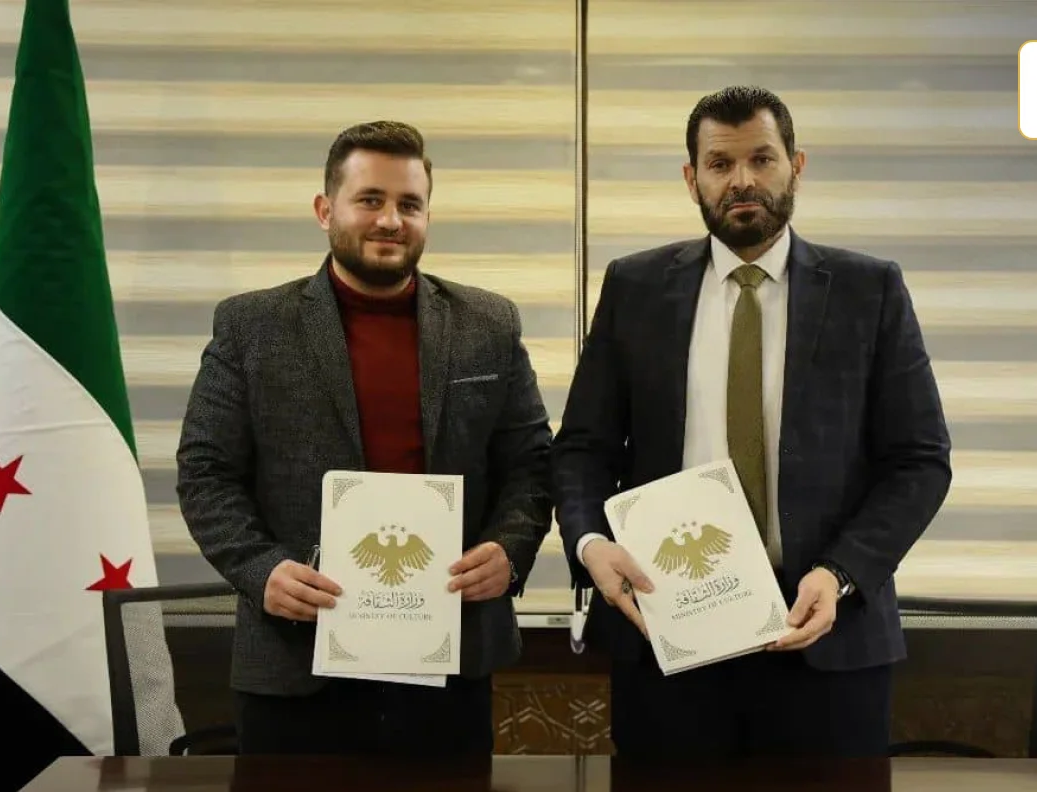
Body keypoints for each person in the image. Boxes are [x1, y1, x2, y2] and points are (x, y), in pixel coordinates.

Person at [551, 86, 952, 759]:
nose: (742, 180)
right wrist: (591, 545)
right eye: (720, 163)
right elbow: (582, 451)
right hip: (668, 636)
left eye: (762, 159)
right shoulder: (634, 288)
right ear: (692, 179)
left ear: (796, 166)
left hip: (826, 638)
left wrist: (840, 573)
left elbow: (919, 461)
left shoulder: (868, 290)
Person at [176, 120, 553, 756]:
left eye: (410, 204)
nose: (390, 221)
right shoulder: (251, 326)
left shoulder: (488, 323)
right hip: (295, 665)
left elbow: (532, 464)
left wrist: (509, 550)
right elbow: (205, 472)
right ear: (326, 210)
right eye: (370, 200)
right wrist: (261, 570)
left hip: (449, 660)